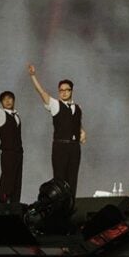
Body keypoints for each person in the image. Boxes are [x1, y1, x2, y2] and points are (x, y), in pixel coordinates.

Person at [28, 65, 87, 198]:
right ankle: (59, 207)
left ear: (71, 91)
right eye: (61, 90)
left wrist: (82, 132)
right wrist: (33, 76)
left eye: (67, 90)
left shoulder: (78, 107)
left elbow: (76, 122)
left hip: (74, 148)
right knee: (60, 181)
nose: (64, 92)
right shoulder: (55, 105)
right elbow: (41, 92)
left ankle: (70, 206)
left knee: (72, 179)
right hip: (60, 147)